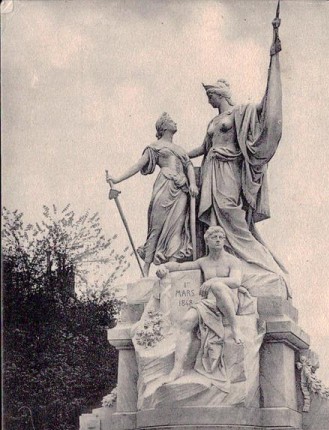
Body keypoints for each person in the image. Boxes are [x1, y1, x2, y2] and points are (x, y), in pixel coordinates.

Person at [188, 17, 290, 297]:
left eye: (210, 94)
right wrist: (178, 155)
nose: (209, 99)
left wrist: (273, 64)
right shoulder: (213, 121)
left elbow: (265, 107)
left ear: (218, 94)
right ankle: (225, 263)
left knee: (233, 216)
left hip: (229, 170)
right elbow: (202, 148)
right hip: (211, 170)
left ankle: (262, 265)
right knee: (216, 221)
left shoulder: (240, 112)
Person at [106, 113, 198, 276]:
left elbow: (189, 166)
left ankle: (172, 264)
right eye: (171, 121)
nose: (175, 122)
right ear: (163, 127)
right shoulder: (154, 147)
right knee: (156, 226)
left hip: (181, 189)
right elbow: (137, 165)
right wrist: (117, 179)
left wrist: (192, 184)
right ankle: (146, 269)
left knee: (177, 226)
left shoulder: (180, 149)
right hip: (165, 185)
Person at [156, 226, 245, 387]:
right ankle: (177, 369)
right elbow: (180, 267)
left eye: (221, 236)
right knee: (186, 321)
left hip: (229, 301)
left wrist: (212, 281)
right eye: (214, 237)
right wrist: (164, 267)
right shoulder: (203, 262)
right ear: (207, 241)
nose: (218, 239)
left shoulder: (233, 261)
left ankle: (235, 328)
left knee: (217, 287)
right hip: (208, 304)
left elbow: (236, 281)